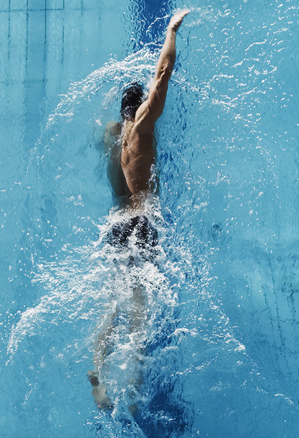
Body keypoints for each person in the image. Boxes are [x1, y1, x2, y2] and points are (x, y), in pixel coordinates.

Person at [89, 9, 190, 412]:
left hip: (115, 224)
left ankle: (97, 371)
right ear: (139, 109)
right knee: (140, 308)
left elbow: (107, 126)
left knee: (111, 303)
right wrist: (171, 31)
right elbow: (162, 76)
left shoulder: (111, 136)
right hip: (142, 223)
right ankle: (131, 389)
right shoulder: (142, 128)